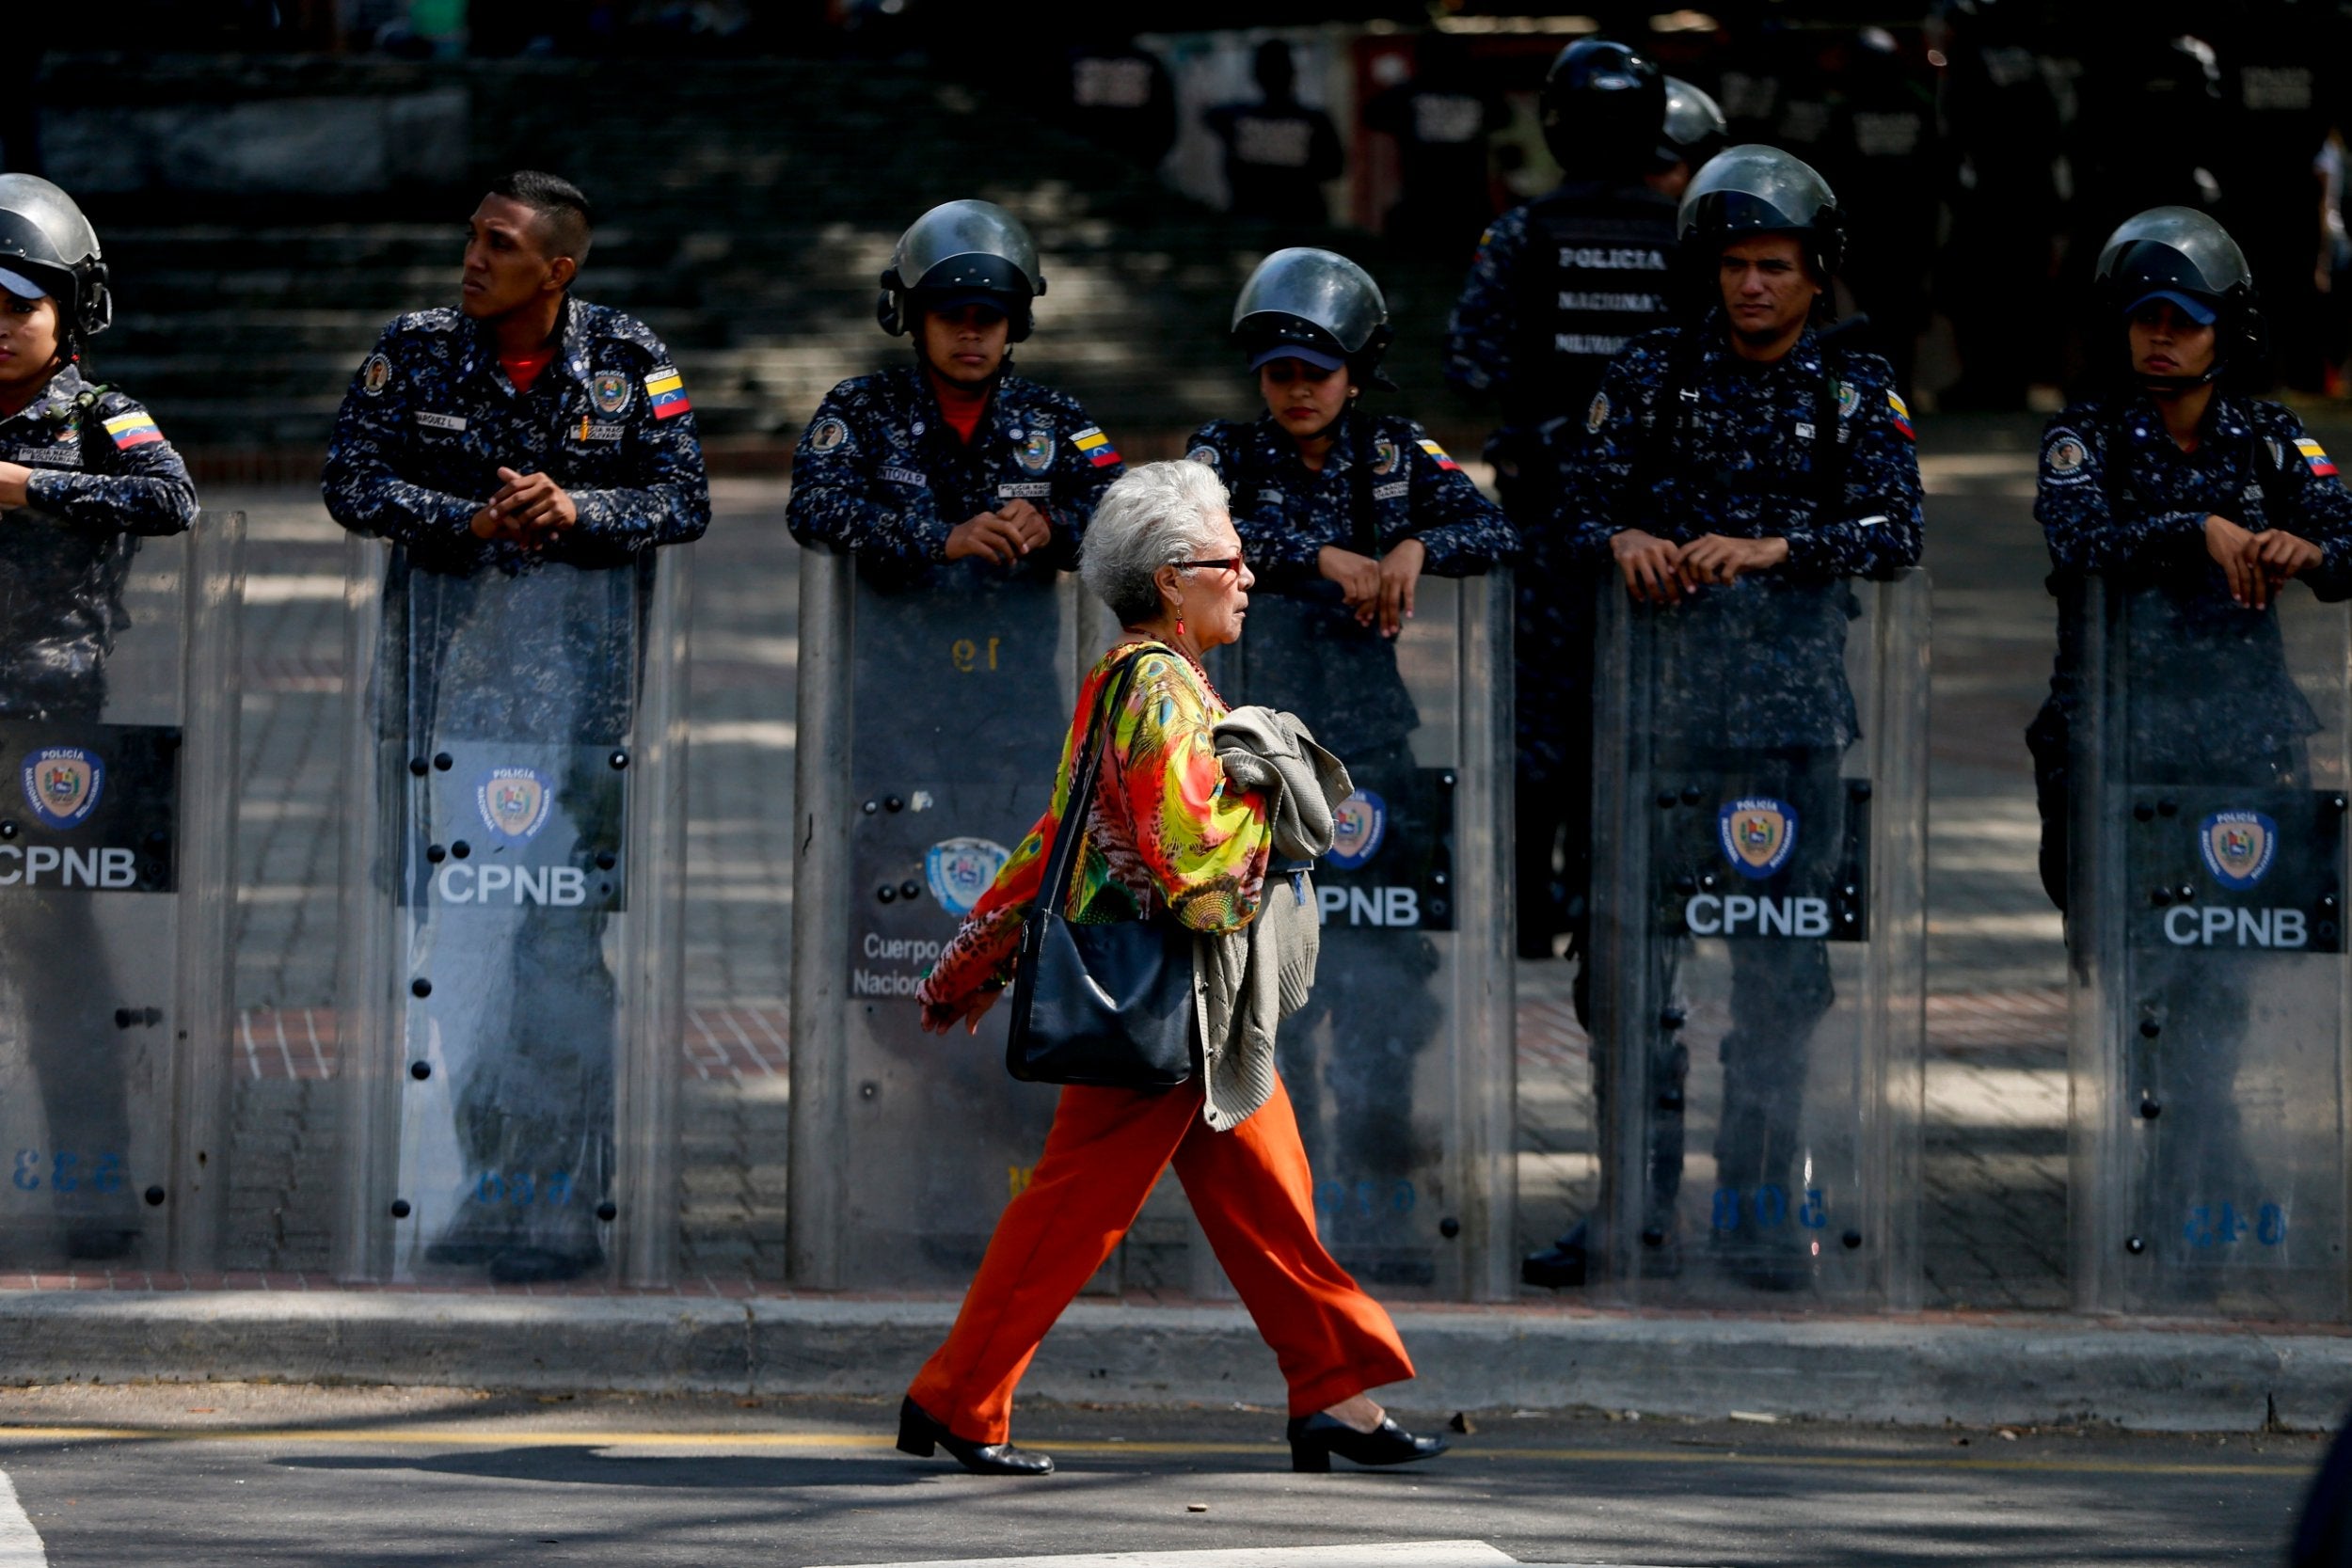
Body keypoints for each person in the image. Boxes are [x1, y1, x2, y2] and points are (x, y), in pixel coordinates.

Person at [900, 461, 1448, 1479]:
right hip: (1163, 1000)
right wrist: (1280, 799)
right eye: (1226, 559)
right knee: (1074, 1210)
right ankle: (957, 1394)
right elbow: (1193, 864)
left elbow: (1055, 833)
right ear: (1169, 581)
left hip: (1189, 1002)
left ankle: (1333, 1389)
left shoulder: (1144, 678)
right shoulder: (1155, 685)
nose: (1247, 574)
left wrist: (973, 960)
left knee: (1270, 1191)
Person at [322, 169, 710, 1282]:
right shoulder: (418, 346)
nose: (473, 257)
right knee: (456, 952)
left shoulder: (631, 360)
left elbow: (683, 499)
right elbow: (348, 477)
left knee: (559, 955)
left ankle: (554, 1200)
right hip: (439, 708)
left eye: (499, 244)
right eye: (472, 237)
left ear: (558, 270)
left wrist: (578, 507)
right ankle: (484, 1181)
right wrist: (467, 516)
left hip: (583, 721)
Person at [1562, 145, 1925, 1289]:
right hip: (1656, 729)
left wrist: (1778, 547)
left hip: (1788, 736)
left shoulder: (1855, 389)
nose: (1751, 286)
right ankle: (1632, 1218)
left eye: (1774, 265)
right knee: (1627, 984)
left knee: (1778, 987)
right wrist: (1616, 535)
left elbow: (1898, 530)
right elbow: (1568, 505)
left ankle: (1760, 1214)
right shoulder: (1654, 372)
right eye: (1733, 264)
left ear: (1817, 275)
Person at [2026, 210, 2352, 1253]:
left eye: (2183, 320)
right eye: (2143, 319)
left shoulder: (2269, 435)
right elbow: (2080, 536)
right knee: (2141, 980)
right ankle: (2185, 1183)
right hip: (2118, 749)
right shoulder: (2085, 434)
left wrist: (2303, 548)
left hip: (2242, 754)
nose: (2159, 338)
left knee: (2221, 987)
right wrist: (2194, 529)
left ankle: (2199, 1191)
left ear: (2226, 330)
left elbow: (2343, 534)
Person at [1184, 248, 1515, 1273]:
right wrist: (1317, 557)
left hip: (1370, 753)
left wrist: (1413, 547)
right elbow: (1195, 532)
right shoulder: (1223, 449)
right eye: (1278, 371)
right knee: (1266, 989)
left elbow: (1490, 528)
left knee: (1384, 981)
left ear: (1356, 374)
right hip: (1250, 752)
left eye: (1315, 372)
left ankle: (1378, 1200)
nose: (1293, 390)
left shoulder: (1393, 452)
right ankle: (1286, 1203)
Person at [1445, 38, 1682, 993]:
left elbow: (1468, 362)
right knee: (1643, 712)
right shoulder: (1690, 236)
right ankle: (1616, 895)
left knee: (1537, 716)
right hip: (1661, 533)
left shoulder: (1522, 234)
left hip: (1545, 522)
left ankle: (1531, 909)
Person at [0, 174, 199, 1261]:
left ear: (71, 315)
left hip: (47, 732)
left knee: (59, 969)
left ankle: (87, 1186)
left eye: (18, 306)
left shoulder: (97, 414)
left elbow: (172, 499)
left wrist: (22, 486)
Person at [787, 198, 1120, 581]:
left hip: (1025, 637)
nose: (970, 333)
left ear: (1013, 327)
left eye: (989, 318)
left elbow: (1121, 507)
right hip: (886, 636)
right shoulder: (860, 408)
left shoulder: (1056, 415)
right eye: (950, 316)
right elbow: (815, 505)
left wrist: (1052, 523)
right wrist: (939, 538)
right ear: (914, 322)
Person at [1361, 31, 1509, 260]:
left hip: (1423, 208)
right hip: (1465, 208)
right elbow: (1503, 118)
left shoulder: (1407, 94)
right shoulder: (1480, 92)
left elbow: (1372, 114)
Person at [1203, 40, 1345, 227]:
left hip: (1255, 219)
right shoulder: (1314, 119)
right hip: (1300, 218)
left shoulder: (1233, 116)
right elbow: (1334, 169)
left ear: (1255, 75)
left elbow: (1208, 114)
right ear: (1293, 73)